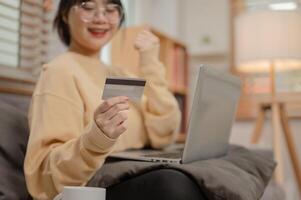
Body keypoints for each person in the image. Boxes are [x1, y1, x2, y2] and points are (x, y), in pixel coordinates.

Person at [24, 0, 204, 200]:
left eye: (110, 9)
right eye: (87, 7)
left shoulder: (119, 73)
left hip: (128, 169)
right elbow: (45, 177)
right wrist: (96, 139)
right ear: (65, 15)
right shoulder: (59, 72)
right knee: (175, 185)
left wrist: (150, 63)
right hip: (90, 186)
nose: (100, 18)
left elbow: (164, 133)